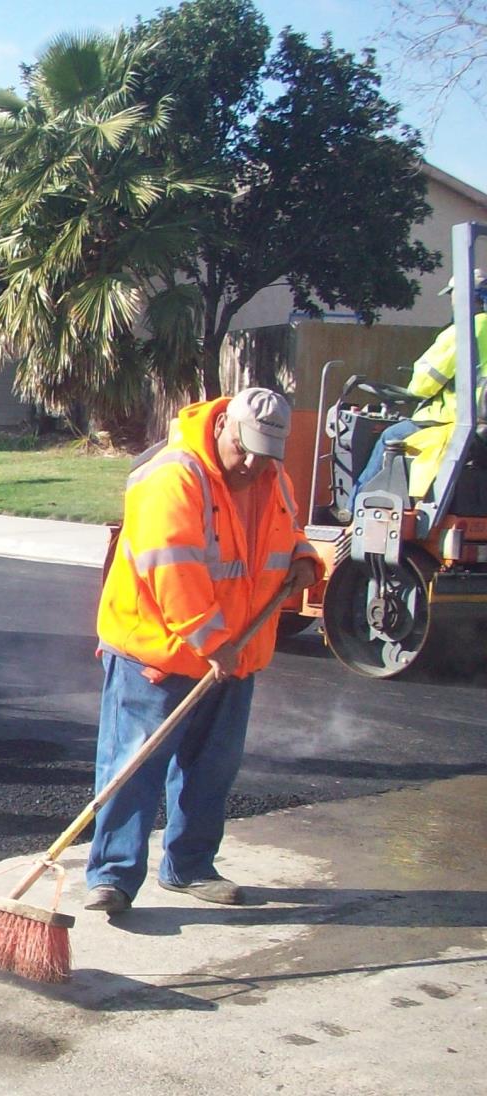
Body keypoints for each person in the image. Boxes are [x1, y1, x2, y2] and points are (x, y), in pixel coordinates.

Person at [85, 389, 321, 913]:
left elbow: (287, 530)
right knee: (133, 767)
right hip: (158, 653)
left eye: (267, 453)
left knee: (211, 768)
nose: (254, 464)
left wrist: (305, 557)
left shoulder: (272, 475)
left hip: (236, 654)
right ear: (222, 427)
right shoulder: (173, 477)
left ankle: (190, 867)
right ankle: (113, 877)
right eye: (247, 449)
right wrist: (213, 643)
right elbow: (173, 570)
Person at [352, 271, 487, 502]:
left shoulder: (465, 331)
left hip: (456, 423)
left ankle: (356, 508)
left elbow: (423, 384)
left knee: (390, 435)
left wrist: (415, 388)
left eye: (452, 295)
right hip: (479, 427)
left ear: (463, 297)